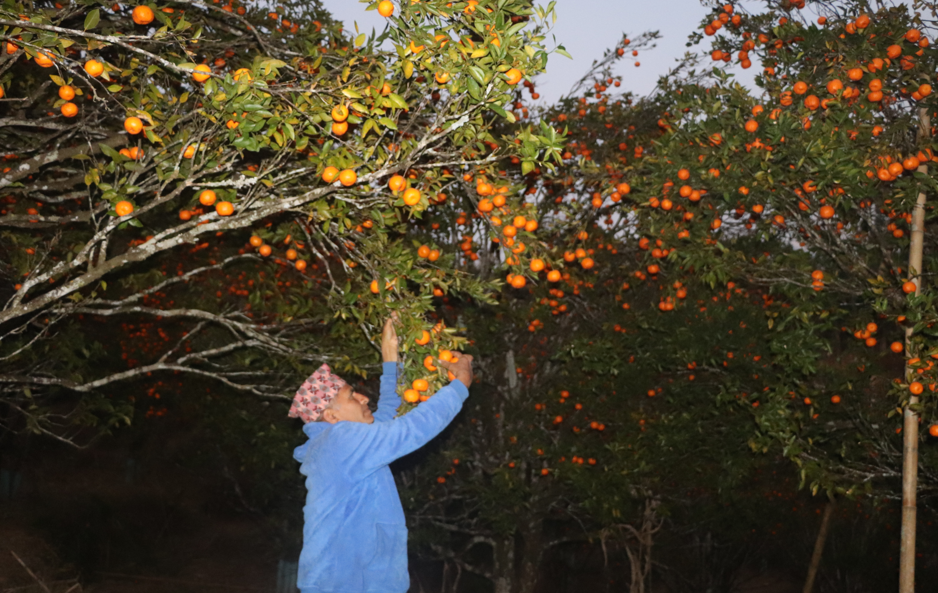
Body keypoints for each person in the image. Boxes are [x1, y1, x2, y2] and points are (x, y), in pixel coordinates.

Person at [290, 315, 473, 593]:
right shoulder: (339, 441)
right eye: (352, 396)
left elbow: (387, 416)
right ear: (331, 415)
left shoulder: (341, 445)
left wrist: (390, 358)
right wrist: (459, 386)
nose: (363, 397)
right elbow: (407, 430)